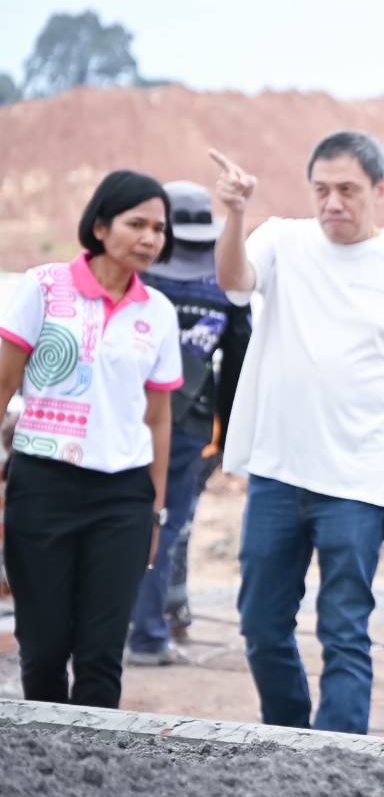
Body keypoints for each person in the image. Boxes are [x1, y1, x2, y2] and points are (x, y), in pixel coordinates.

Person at [212, 133, 384, 735]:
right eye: (322, 190)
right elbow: (234, 279)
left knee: (344, 628)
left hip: (357, 482)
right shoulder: (283, 241)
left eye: (348, 190)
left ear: (379, 190)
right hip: (277, 471)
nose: (332, 203)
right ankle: (287, 736)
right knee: (261, 623)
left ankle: (339, 753)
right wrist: (235, 213)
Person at [0, 171, 182, 707]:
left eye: (159, 228)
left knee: (102, 652)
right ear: (100, 226)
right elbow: (3, 385)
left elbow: (159, 420)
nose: (150, 238)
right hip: (43, 485)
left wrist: (156, 512)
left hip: (123, 498)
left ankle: (97, 767)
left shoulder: (159, 313)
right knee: (44, 646)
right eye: (137, 224)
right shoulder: (42, 288)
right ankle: (47, 768)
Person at [126, 181, 251, 666]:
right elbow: (237, 369)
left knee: (121, 521)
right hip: (187, 428)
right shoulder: (226, 288)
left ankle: (133, 625)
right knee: (166, 522)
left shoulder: (137, 280)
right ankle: (149, 635)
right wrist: (227, 438)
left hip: (124, 421)